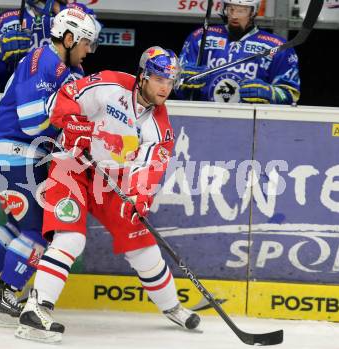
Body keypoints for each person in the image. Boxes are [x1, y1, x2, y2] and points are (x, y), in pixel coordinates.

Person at [14, 46, 200, 344]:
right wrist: (75, 125)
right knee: (71, 238)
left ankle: (171, 306)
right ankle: (37, 308)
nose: (165, 87)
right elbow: (61, 101)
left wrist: (140, 199)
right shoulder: (110, 83)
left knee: (141, 243)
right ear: (143, 77)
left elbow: (149, 170)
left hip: (110, 180)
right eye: (159, 79)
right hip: (71, 166)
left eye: (170, 81)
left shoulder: (160, 128)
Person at [0, 7, 100, 328]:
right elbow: (33, 123)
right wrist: (71, 121)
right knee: (42, 230)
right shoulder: (42, 60)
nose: (89, 50)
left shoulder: (60, 66)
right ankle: (6, 291)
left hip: (10, 155)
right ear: (69, 38)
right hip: (15, 154)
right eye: (87, 42)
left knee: (20, 225)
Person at [177, 0, 300, 104]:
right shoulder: (200, 37)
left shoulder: (277, 46)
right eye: (230, 9)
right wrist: (182, 78)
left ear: (253, 12)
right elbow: (171, 83)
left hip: (252, 123)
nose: (234, 15)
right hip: (202, 117)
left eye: (241, 10)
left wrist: (269, 93)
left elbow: (291, 94)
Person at [0, 0, 99, 91]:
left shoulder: (76, 10)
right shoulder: (7, 19)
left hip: (65, 93)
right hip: (19, 97)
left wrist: (58, 8)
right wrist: (0, 59)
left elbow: (95, 31)